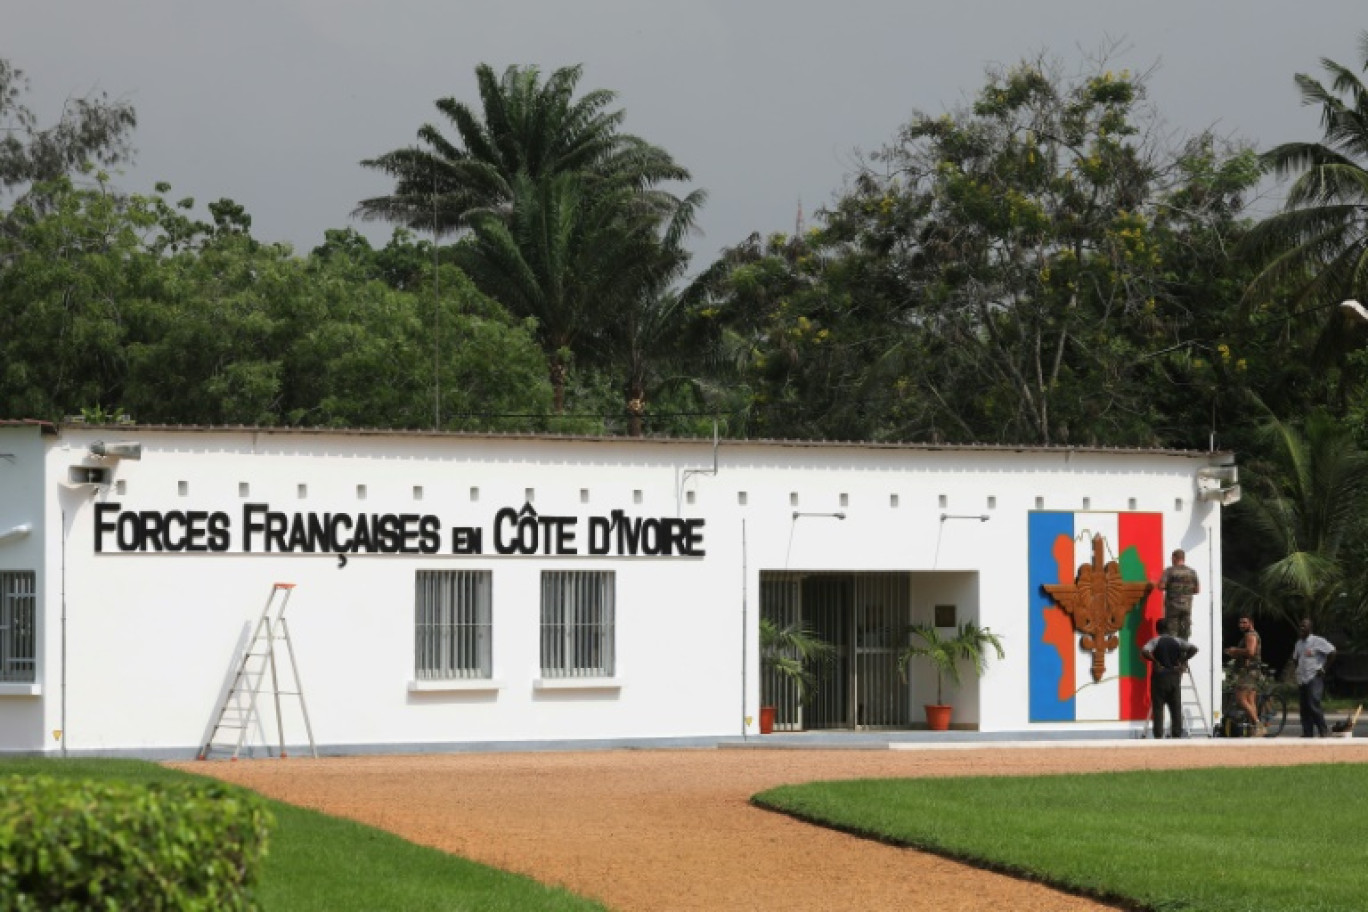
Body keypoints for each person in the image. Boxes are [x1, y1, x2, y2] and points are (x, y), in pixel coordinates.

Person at [1142, 618, 1199, 739]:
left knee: (1158, 709)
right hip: (1174, 676)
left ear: (1157, 629)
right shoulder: (1177, 641)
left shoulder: (1155, 641)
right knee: (1175, 708)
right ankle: (1176, 735)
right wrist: (1182, 660)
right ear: (1168, 629)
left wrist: (1155, 661)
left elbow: (1144, 651)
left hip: (1160, 677)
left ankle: (1158, 735)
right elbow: (1194, 649)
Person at [1291, 617, 1337, 738]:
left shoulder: (1317, 641)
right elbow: (1295, 658)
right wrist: (1298, 670)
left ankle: (1323, 730)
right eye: (1300, 626)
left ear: (1310, 628)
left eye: (1304, 626)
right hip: (1302, 678)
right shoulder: (1299, 643)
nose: (1301, 628)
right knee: (1304, 707)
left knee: (1313, 704)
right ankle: (1307, 732)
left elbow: (1332, 652)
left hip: (1314, 677)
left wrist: (1324, 668)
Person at [1223, 615, 1263, 735]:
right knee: (1250, 701)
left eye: (1244, 622)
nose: (1241, 625)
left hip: (1248, 672)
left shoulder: (1250, 635)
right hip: (1253, 671)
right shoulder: (1251, 635)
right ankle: (1254, 730)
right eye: (1240, 623)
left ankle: (1257, 723)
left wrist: (1235, 650)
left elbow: (1250, 652)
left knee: (1241, 699)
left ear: (1251, 623)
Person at [1157, 549, 1200, 639]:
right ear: (1183, 558)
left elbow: (1161, 586)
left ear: (1174, 558)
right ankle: (1184, 651)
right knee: (1185, 633)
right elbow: (1197, 590)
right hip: (1186, 607)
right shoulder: (1192, 572)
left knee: (1172, 634)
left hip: (1173, 607)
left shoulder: (1169, 571)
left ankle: (1174, 652)